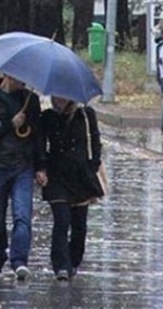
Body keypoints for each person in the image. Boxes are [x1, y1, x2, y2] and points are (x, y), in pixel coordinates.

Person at [0, 74, 45, 280]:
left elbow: (37, 135)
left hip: (23, 166)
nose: (23, 81)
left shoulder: (30, 100)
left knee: (22, 215)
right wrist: (9, 124)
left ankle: (19, 260)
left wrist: (41, 166)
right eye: (18, 77)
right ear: (7, 75)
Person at [37, 96, 104, 281]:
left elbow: (95, 142)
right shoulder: (47, 117)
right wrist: (41, 168)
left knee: (79, 225)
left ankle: (74, 261)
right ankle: (60, 265)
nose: (59, 99)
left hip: (80, 176)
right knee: (61, 219)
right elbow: (41, 145)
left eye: (63, 96)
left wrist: (93, 165)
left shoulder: (86, 114)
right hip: (57, 175)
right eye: (56, 96)